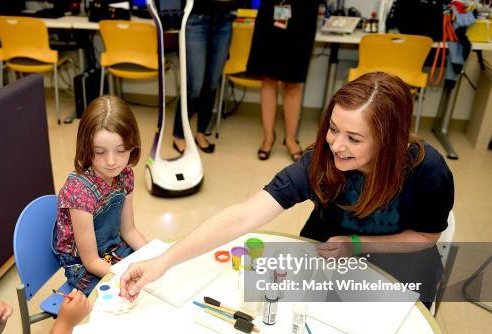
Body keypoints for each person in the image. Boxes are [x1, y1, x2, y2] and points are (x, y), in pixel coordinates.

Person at [120, 72, 454, 305]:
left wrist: (358, 243)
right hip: (325, 266)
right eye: (333, 129)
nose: (337, 145)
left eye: (354, 139)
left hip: (396, 271)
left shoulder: (428, 171)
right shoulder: (319, 163)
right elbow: (242, 216)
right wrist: (163, 262)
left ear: (389, 140)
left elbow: (427, 237)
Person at [53, 95, 148, 295]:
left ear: (133, 145)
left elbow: (129, 231)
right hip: (85, 267)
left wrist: (156, 257)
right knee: (128, 297)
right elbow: (91, 261)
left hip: (114, 250)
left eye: (121, 150)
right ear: (86, 148)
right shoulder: (79, 192)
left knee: (151, 284)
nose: (112, 161)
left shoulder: (125, 174)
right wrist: (125, 274)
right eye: (100, 152)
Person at [246, 0, 319, 160]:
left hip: (302, 17)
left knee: (293, 82)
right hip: (272, 12)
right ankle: (268, 137)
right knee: (268, 79)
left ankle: (291, 140)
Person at [171, 0, 240, 155]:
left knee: (212, 84)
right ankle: (178, 134)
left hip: (224, 20)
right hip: (196, 20)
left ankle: (201, 132)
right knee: (195, 87)